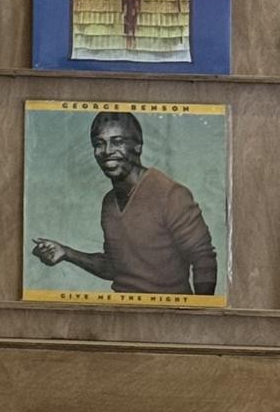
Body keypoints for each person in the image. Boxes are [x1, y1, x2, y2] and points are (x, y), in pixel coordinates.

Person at [31, 111, 218, 297]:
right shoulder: (109, 202)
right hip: (122, 308)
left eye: (117, 142)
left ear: (137, 146)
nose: (107, 151)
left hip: (167, 311)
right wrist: (66, 253)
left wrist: (200, 312)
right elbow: (113, 268)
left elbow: (204, 260)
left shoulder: (171, 195)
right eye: (99, 144)